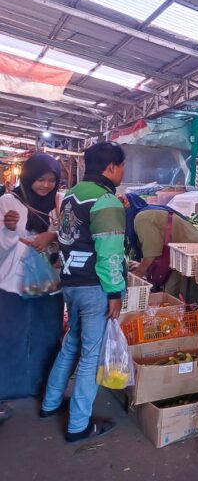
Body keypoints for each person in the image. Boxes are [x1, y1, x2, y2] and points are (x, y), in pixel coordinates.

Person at [41, 142, 127, 444]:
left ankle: (50, 403)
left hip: (71, 283)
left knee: (71, 345)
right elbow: (110, 253)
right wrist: (115, 292)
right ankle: (78, 425)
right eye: (122, 166)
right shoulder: (106, 201)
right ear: (111, 167)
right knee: (90, 356)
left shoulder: (72, 195)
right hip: (94, 287)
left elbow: (68, 238)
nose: (123, 172)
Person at [0, 154, 64, 412]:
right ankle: (8, 386)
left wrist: (51, 235)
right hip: (12, 282)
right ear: (28, 177)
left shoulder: (58, 203)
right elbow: (3, 243)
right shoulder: (8, 201)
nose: (46, 185)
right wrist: (8, 229)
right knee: (9, 335)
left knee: (46, 334)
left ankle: (40, 384)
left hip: (48, 282)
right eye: (40, 179)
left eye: (51, 180)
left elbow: (67, 234)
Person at [123, 193, 198, 299]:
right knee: (169, 294)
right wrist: (141, 265)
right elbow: (155, 244)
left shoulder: (141, 219)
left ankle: (195, 307)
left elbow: (152, 252)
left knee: (184, 295)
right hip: (180, 255)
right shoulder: (145, 212)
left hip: (193, 252)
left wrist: (138, 274)